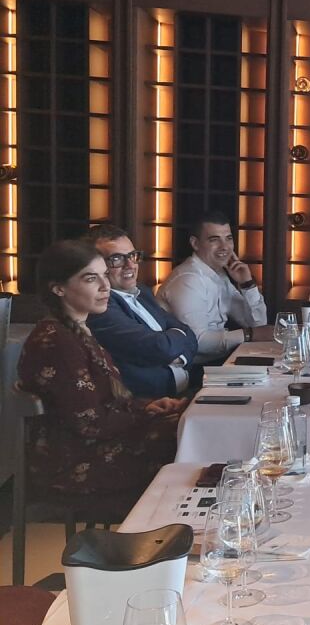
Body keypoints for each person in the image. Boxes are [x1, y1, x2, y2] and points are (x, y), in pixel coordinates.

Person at [17, 240, 188, 496]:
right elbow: (90, 423)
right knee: (183, 436)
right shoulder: (58, 341)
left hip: (95, 442)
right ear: (59, 289)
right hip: (72, 459)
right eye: (90, 279)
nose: (105, 286)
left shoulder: (77, 330)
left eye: (105, 275)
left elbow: (105, 403)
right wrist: (145, 414)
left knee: (187, 423)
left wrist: (149, 406)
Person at [82, 224, 200, 398]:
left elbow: (190, 335)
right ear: (97, 266)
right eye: (117, 259)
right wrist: (173, 343)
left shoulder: (142, 292)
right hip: (151, 402)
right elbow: (160, 348)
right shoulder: (101, 308)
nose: (130, 265)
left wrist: (177, 354)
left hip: (185, 390)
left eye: (132, 255)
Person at [156, 210, 272, 364]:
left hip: (217, 361)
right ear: (195, 243)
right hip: (191, 369)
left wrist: (247, 284)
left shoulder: (219, 274)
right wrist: (249, 335)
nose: (225, 247)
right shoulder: (189, 279)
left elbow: (258, 324)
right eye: (214, 240)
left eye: (228, 239)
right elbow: (197, 341)